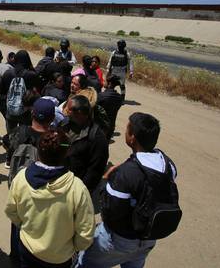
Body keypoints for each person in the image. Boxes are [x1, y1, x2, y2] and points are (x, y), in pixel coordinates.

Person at [76, 113, 178, 268]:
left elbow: (110, 211)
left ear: (132, 138)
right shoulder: (167, 163)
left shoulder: (125, 173)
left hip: (121, 239)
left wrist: (109, 179)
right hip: (149, 238)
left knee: (84, 262)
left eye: (127, 130)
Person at [5, 130, 95, 268]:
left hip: (28, 249)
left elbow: (11, 211)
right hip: (60, 258)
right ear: (67, 153)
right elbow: (86, 233)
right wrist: (72, 247)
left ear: (38, 152)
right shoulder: (77, 188)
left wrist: (24, 227)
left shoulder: (21, 178)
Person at [6, 98, 56, 262]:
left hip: (19, 188)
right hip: (43, 193)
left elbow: (7, 143)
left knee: (16, 224)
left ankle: (15, 258)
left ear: (32, 113)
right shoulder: (53, 139)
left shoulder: (19, 133)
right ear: (52, 118)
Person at [0, 50, 41, 168]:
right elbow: (38, 91)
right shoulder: (31, 74)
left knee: (11, 135)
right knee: (25, 134)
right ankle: (24, 159)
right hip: (26, 111)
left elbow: (1, 92)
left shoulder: (7, 73)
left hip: (10, 110)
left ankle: (9, 159)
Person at [60, 95, 109, 193]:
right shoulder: (64, 125)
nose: (65, 111)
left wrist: (81, 191)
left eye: (69, 109)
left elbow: (95, 171)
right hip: (60, 181)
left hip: (76, 188)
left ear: (79, 113)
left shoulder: (97, 138)